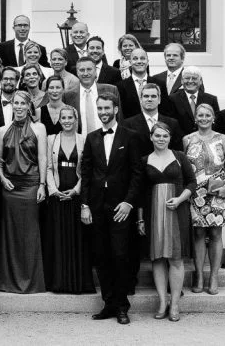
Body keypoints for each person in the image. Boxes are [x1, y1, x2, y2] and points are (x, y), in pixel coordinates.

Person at [80, 90, 142, 325]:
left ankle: (122, 306)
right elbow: (86, 174)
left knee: (120, 255)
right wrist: (85, 205)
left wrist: (128, 202)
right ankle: (108, 304)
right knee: (101, 256)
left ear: (116, 109)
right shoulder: (92, 138)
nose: (103, 112)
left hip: (120, 207)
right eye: (100, 108)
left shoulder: (130, 136)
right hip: (96, 206)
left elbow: (137, 174)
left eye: (107, 108)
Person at [138, 121, 196, 322]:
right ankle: (163, 302)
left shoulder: (179, 157)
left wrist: (180, 199)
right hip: (153, 213)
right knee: (157, 258)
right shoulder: (145, 160)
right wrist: (140, 219)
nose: (161, 139)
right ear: (151, 137)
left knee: (176, 258)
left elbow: (192, 182)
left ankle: (175, 304)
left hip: (176, 212)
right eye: (157, 135)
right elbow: (140, 192)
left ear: (170, 138)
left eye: (165, 135)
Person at [0, 90, 47, 294]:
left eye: (23, 103)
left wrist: (42, 184)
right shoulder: (2, 131)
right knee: (11, 233)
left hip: (31, 184)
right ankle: (8, 281)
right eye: (16, 103)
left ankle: (32, 281)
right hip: (10, 187)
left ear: (29, 106)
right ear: (11, 105)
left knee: (30, 233)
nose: (19, 107)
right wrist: (2, 178)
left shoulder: (39, 128)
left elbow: (42, 158)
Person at [187, 103, 225, 292]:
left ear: (213, 118)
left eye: (207, 115)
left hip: (217, 192)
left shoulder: (222, 139)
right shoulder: (187, 139)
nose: (203, 118)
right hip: (196, 193)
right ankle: (199, 277)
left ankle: (213, 277)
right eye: (200, 115)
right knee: (198, 234)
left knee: (216, 234)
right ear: (195, 118)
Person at [44, 106, 94, 294]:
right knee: (58, 239)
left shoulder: (84, 139)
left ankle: (77, 283)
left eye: (70, 118)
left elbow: (87, 170)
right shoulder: (51, 139)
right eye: (63, 118)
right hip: (57, 197)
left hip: (76, 196)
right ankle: (59, 283)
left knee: (77, 240)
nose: (66, 121)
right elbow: (48, 167)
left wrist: (75, 190)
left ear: (76, 119)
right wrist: (53, 190)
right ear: (59, 120)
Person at [63, 57, 118, 136]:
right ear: (77, 72)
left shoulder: (111, 90)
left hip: (108, 138)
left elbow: (119, 118)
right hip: (81, 141)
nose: (85, 73)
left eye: (89, 69)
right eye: (82, 70)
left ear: (95, 71)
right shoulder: (68, 95)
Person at [125, 83, 184, 153]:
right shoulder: (128, 124)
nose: (149, 99)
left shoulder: (172, 124)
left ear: (159, 100)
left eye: (153, 96)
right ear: (141, 99)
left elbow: (178, 152)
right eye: (146, 96)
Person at [167, 66, 220, 136]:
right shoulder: (172, 99)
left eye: (194, 78)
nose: (190, 81)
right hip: (180, 140)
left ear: (200, 81)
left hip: (206, 138)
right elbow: (170, 123)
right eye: (187, 78)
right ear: (182, 80)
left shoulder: (211, 99)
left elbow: (217, 123)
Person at [116, 48, 155, 122]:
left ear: (147, 61)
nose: (139, 61)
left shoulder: (158, 84)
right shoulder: (120, 86)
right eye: (135, 59)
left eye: (142, 58)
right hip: (129, 127)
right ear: (130, 62)